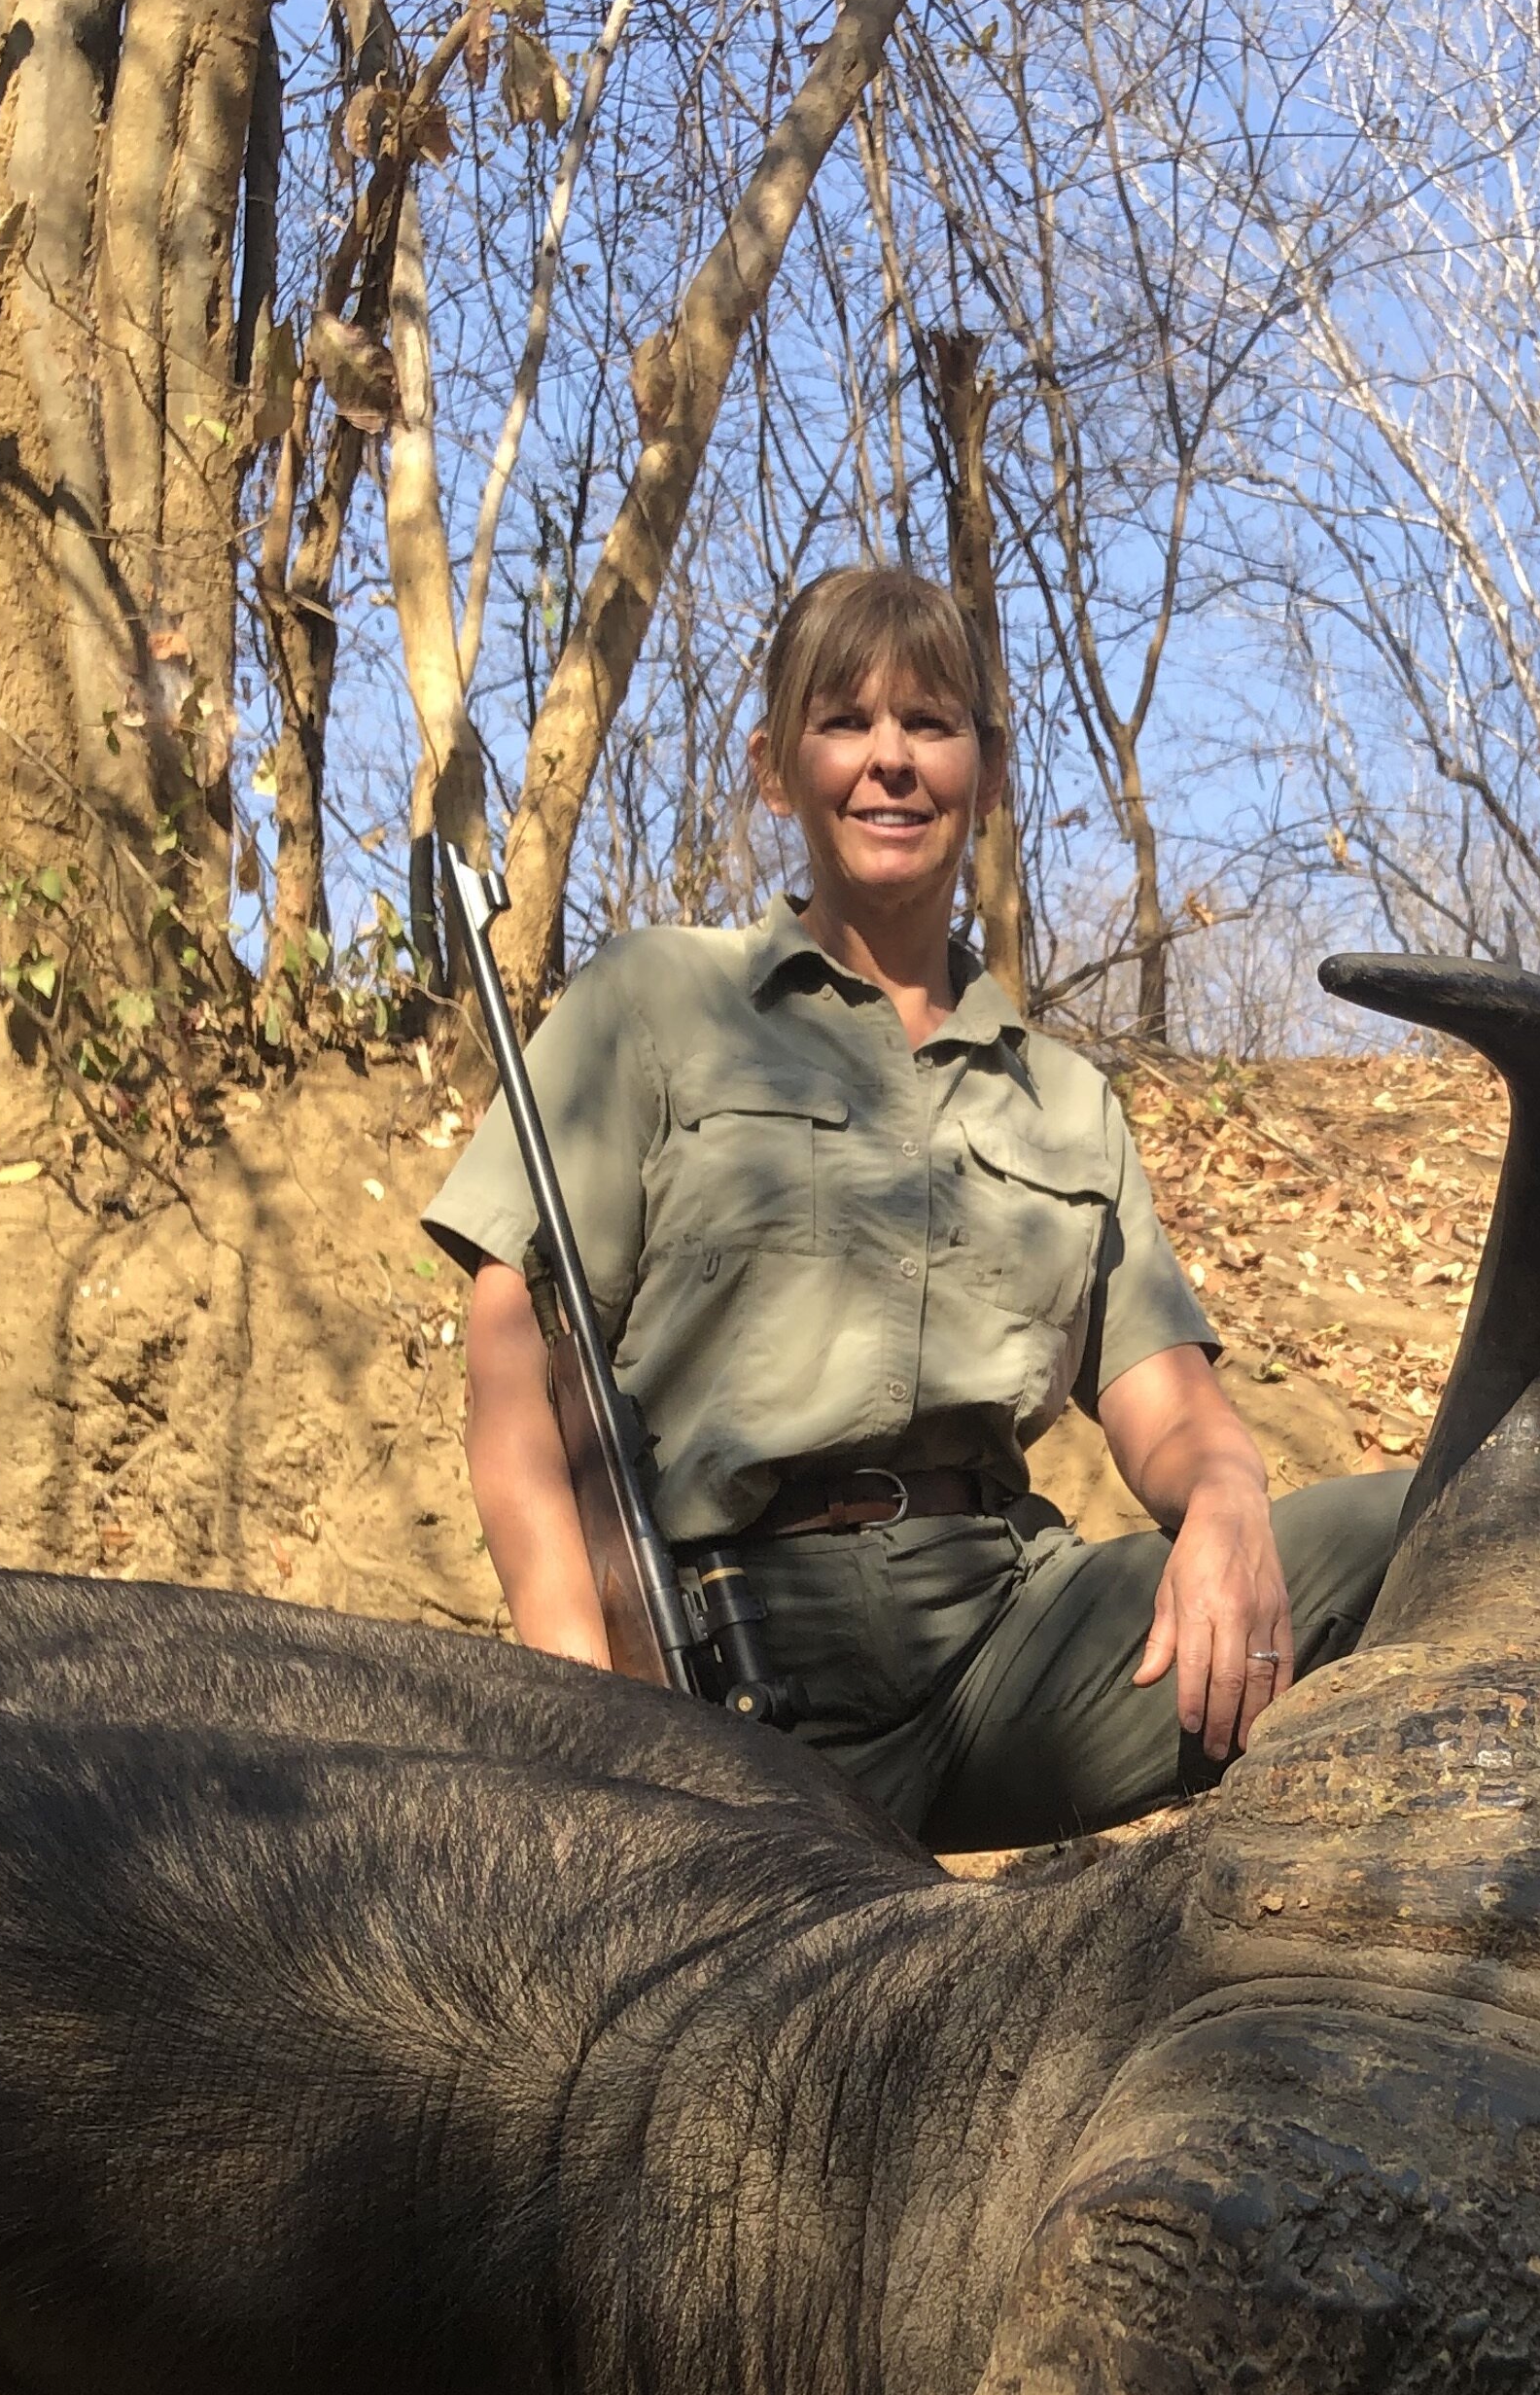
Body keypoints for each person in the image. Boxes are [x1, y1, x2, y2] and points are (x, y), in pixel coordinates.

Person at [425, 561, 1407, 1849]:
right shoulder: (653, 1002)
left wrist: (1226, 1501)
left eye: (930, 725)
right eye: (846, 723)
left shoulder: (1064, 1101)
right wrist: (590, 1708)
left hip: (1011, 1636)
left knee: (1425, 1527)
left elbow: (1167, 1400)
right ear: (777, 769)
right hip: (733, 1651)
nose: (889, 761)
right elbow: (515, 1361)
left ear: (987, 778)